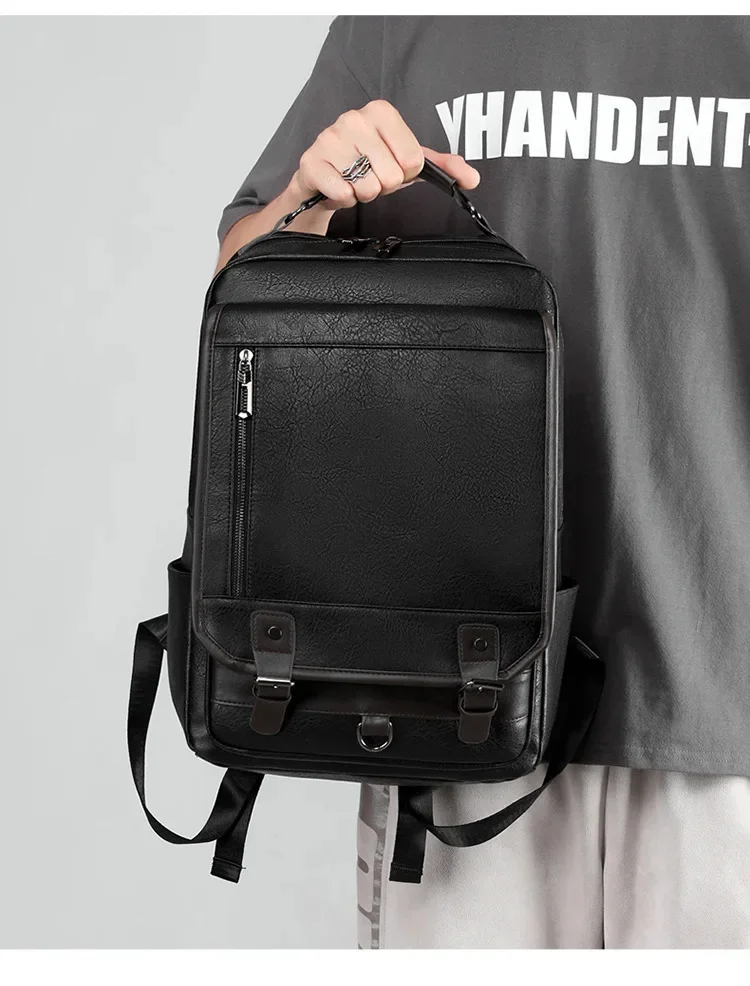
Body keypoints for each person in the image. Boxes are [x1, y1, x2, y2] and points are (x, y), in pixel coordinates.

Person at [216, 16, 750, 949]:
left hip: (728, 708)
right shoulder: (402, 24)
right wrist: (309, 200)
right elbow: (239, 291)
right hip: (455, 696)